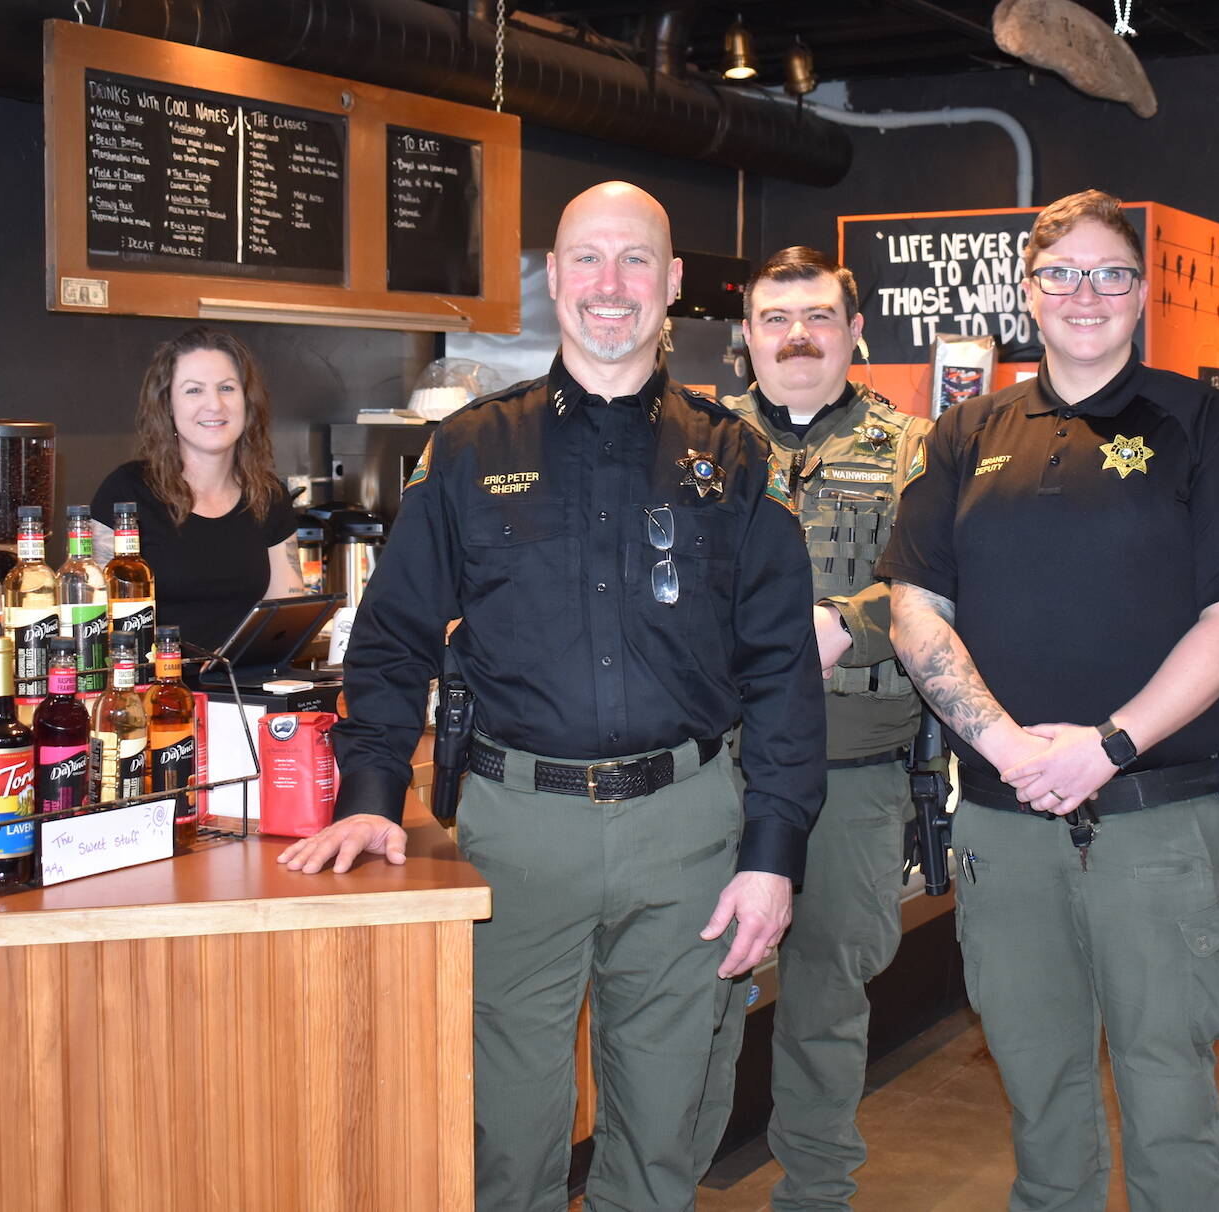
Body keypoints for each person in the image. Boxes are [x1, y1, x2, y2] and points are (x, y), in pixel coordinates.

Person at [277, 181, 826, 1212]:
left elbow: (783, 671)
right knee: (505, 1136)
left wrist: (774, 855)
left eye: (633, 261)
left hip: (687, 834)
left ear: (670, 285)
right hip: (514, 834)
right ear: (555, 278)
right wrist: (367, 791)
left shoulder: (737, 456)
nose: (609, 285)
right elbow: (392, 638)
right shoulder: (474, 449)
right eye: (586, 258)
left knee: (664, 1137)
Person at [877, 188, 1219, 1211]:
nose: (1086, 294)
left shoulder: (1204, 425)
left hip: (1157, 817)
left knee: (1168, 1090)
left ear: (1142, 292)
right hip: (1003, 821)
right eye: (1061, 273)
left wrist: (1106, 746)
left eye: (1110, 273)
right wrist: (1011, 749)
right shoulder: (966, 434)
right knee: (1040, 1088)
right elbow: (914, 612)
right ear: (1028, 291)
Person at [695, 246, 931, 1208]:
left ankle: (816, 1194)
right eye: (775, 319)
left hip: (854, 772)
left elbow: (943, 583)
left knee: (828, 1005)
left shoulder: (919, 447)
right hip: (713, 773)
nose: (798, 336)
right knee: (698, 1002)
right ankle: (664, 1185)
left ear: (855, 330)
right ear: (746, 337)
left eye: (819, 317)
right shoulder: (696, 444)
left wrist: (850, 621)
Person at [91, 326, 302, 655]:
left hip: (242, 696)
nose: (214, 404)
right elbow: (93, 622)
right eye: (194, 391)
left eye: (227, 388)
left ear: (247, 401)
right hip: (153, 695)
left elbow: (287, 618)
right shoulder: (125, 493)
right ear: (168, 405)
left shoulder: (269, 495)